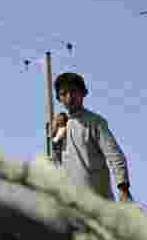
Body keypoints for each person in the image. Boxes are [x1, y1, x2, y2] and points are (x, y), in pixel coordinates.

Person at [54, 72, 133, 202]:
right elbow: (55, 163)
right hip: (71, 202)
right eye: (64, 94)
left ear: (83, 93)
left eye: (73, 92)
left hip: (98, 201)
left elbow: (114, 155)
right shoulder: (60, 127)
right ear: (59, 98)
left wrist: (123, 188)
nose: (69, 97)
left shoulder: (95, 122)